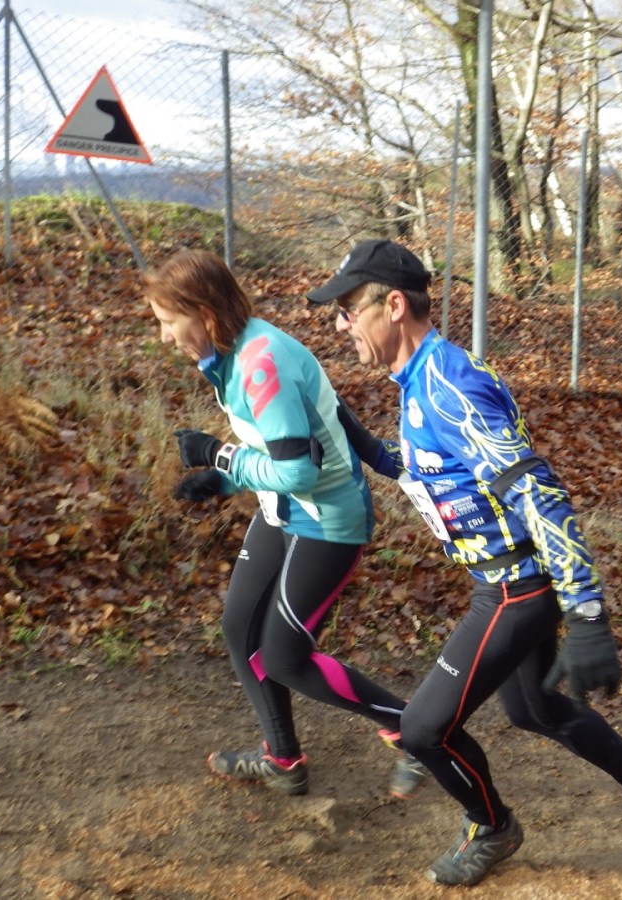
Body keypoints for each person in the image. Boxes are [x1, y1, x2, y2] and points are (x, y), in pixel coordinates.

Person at [307, 238, 622, 887]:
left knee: (423, 730)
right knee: (535, 710)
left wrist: (588, 611)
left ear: (393, 305)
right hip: (507, 581)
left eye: (348, 310)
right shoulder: (423, 379)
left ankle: (491, 828)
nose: (341, 325)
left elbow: (537, 491)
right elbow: (437, 469)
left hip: (515, 587)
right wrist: (362, 441)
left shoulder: (447, 386)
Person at [144, 248, 427, 802]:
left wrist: (219, 456)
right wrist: (225, 481)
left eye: (168, 322)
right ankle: (283, 759)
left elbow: (299, 469)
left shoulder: (260, 361)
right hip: (285, 507)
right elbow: (288, 438)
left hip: (327, 518)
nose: (164, 337)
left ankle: (413, 730)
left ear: (204, 314)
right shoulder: (232, 352)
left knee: (284, 656)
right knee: (239, 627)